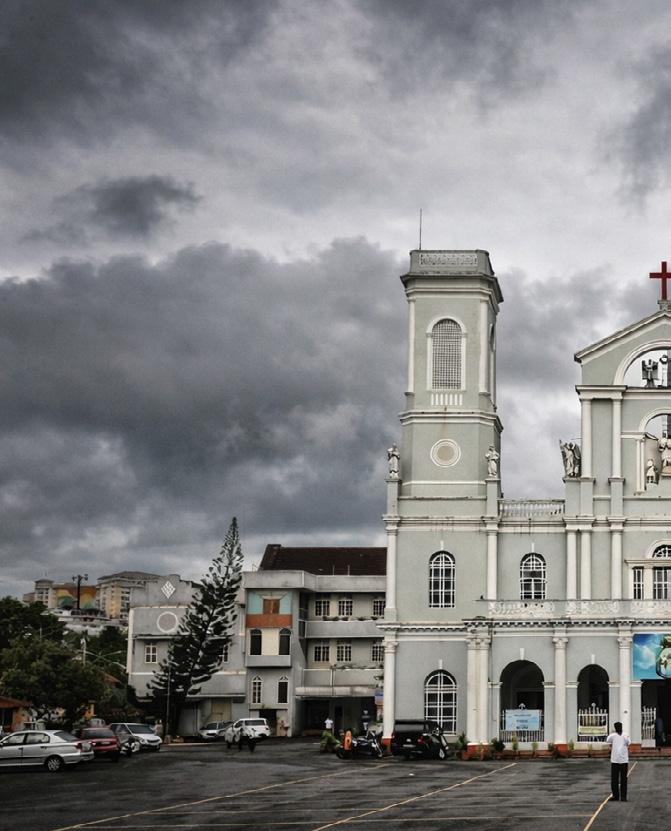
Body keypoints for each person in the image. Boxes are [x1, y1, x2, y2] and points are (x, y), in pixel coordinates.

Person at [606, 721, 630, 802]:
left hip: (623, 760)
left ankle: (623, 796)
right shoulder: (613, 736)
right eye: (617, 727)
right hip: (615, 760)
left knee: (623, 779)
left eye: (619, 727)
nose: (619, 728)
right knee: (614, 779)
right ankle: (616, 796)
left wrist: (623, 737)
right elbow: (608, 740)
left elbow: (628, 742)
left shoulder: (625, 735)